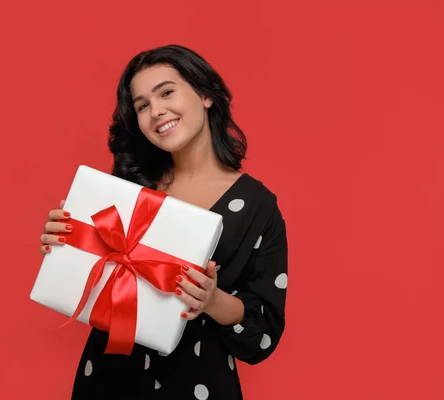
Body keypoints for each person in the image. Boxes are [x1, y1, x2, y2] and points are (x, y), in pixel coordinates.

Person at [39, 44, 288, 400]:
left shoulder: (258, 207)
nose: (156, 111)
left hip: (199, 383)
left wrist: (211, 299)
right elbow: (94, 279)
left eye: (167, 92)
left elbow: (262, 332)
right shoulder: (129, 187)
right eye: (142, 105)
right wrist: (64, 241)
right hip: (109, 378)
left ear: (205, 94)